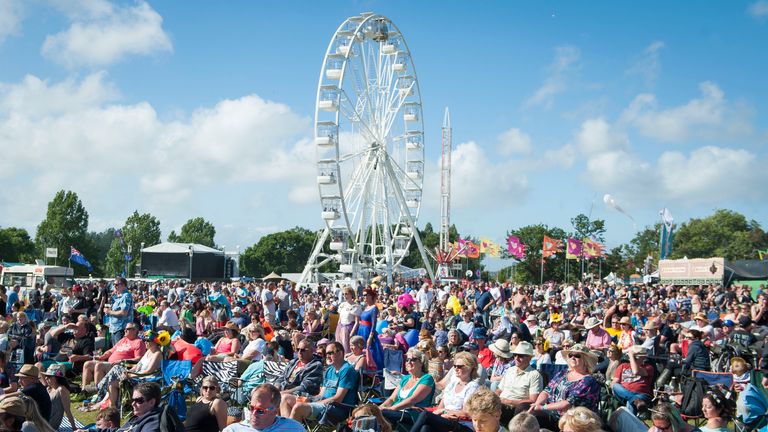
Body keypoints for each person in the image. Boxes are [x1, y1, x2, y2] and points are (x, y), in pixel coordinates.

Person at [528, 344, 601, 431]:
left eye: (577, 356)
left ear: (585, 360)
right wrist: (537, 404)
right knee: (524, 408)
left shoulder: (588, 380)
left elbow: (567, 403)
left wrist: (542, 408)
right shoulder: (563, 373)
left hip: (574, 420)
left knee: (535, 417)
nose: (573, 357)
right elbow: (546, 391)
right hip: (553, 413)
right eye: (570, 355)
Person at [282, 341, 359, 422]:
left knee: (299, 407)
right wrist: (310, 399)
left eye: (330, 353)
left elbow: (338, 398)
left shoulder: (347, 370)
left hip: (336, 408)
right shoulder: (329, 370)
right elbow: (321, 394)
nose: (327, 356)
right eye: (326, 354)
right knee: (285, 398)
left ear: (340, 353)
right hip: (322, 403)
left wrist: (315, 403)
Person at [409, 351, 481, 432]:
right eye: (455, 366)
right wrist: (425, 409)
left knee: (425, 415)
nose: (456, 369)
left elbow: (466, 413)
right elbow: (439, 408)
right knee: (426, 427)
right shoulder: (452, 385)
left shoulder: (472, 387)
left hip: (462, 424)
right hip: (446, 420)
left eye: (460, 366)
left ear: (470, 367)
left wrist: (445, 412)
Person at [379, 348, 435, 428]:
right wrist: (380, 407)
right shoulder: (405, 378)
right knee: (370, 411)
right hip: (397, 411)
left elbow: (412, 400)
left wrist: (391, 409)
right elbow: (392, 399)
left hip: (412, 414)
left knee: (381, 415)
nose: (408, 362)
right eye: (407, 359)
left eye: (412, 359)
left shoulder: (427, 378)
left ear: (421, 363)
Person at [82, 323, 145, 391]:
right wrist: (101, 357)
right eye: (125, 329)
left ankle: (99, 392)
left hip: (122, 366)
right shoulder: (123, 340)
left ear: (135, 331)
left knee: (99, 365)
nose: (125, 330)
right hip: (111, 364)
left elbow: (139, 359)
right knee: (88, 364)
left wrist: (122, 361)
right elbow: (111, 351)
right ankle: (84, 390)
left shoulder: (139, 342)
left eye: (127, 329)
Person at [223, 383, 305, 432]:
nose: (253, 414)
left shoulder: (293, 428)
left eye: (260, 411)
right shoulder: (233, 430)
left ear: (275, 412)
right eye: (251, 408)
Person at [496, 341, 543, 425]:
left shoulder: (534, 375)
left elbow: (533, 400)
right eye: (515, 355)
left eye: (520, 356)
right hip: (500, 403)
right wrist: (493, 397)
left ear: (529, 358)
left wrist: (510, 401)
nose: (516, 358)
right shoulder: (510, 370)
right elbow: (499, 390)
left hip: (515, 407)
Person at [610, 345, 654, 415]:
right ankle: (635, 400)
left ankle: (633, 402)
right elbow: (614, 383)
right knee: (615, 386)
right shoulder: (623, 366)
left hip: (641, 394)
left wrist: (631, 356)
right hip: (624, 394)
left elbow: (635, 371)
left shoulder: (648, 368)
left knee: (630, 402)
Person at [42, 363, 75, 431]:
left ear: (55, 378)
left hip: (50, 425)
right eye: (46, 376)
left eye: (48, 376)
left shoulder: (62, 390)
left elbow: (67, 411)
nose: (45, 378)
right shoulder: (49, 389)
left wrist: (74, 427)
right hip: (43, 420)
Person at [358, 288, 383, 370]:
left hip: (368, 331)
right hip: (361, 330)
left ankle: (374, 371)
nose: (364, 297)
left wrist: (370, 337)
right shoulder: (365, 307)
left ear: (370, 296)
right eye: (363, 295)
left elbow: (374, 324)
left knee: (371, 350)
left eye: (366, 295)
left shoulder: (374, 308)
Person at [105, 277, 134, 346]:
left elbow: (124, 312)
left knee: (119, 350)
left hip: (121, 328)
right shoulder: (117, 296)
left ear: (124, 285)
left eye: (117, 284)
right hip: (114, 328)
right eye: (114, 284)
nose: (115, 286)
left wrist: (110, 312)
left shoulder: (126, 296)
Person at [336, 287, 361, 353]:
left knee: (347, 348)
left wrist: (351, 333)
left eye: (346, 294)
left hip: (349, 328)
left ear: (351, 294)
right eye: (344, 294)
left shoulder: (356, 306)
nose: (345, 296)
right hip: (341, 327)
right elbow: (340, 319)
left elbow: (357, 322)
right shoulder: (342, 305)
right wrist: (338, 330)